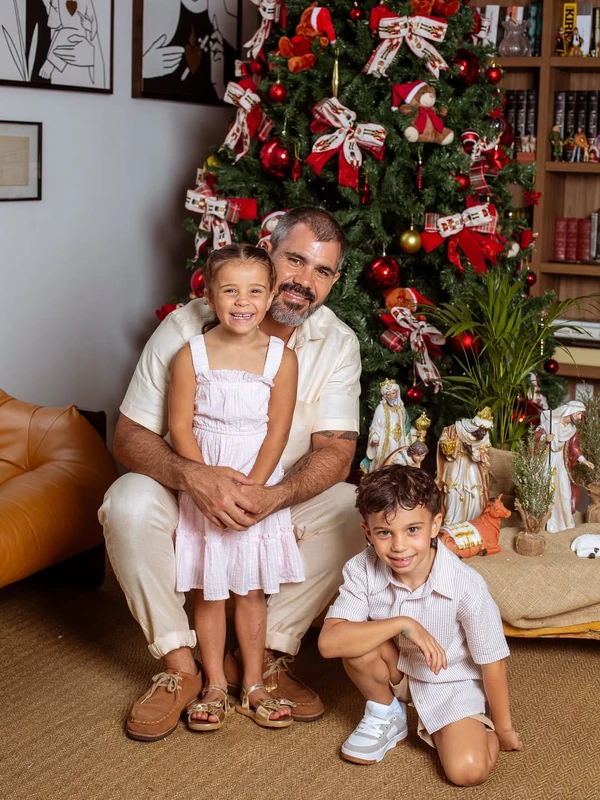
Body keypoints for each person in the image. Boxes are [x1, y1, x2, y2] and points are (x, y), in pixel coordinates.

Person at [98, 207, 364, 741]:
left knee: (352, 509)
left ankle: (263, 656)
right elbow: (130, 437)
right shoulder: (185, 332)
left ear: (335, 281)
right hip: (188, 489)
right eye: (295, 260)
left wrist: (273, 494)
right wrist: (194, 477)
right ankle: (181, 665)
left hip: (271, 496)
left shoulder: (336, 343)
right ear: (268, 252)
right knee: (126, 501)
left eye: (323, 272)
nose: (304, 282)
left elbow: (336, 453)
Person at [170, 244, 304, 731]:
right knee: (210, 591)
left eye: (254, 291)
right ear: (209, 296)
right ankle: (213, 684)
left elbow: (277, 430)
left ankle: (252, 683)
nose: (242, 301)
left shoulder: (280, 360)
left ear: (270, 297)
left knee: (249, 591)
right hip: (205, 480)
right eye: (230, 290)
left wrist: (253, 489)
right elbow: (181, 427)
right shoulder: (191, 355)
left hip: (255, 485)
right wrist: (207, 483)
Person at [318, 466, 522, 784]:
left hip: (449, 682)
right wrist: (403, 623)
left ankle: (473, 731)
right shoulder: (361, 568)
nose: (399, 546)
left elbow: (492, 661)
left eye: (412, 529)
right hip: (398, 668)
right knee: (353, 641)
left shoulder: (465, 583)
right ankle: (386, 712)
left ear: (435, 525)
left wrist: (504, 728)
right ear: (368, 532)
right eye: (385, 532)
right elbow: (329, 643)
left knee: (467, 772)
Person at [536, 401, 594, 533]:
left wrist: (583, 460)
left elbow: (574, 448)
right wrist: (545, 437)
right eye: (579, 414)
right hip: (547, 460)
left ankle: (563, 522)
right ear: (570, 411)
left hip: (561, 462)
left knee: (565, 492)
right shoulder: (550, 422)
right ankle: (546, 523)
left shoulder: (571, 430)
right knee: (546, 490)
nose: (580, 417)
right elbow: (536, 437)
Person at [436, 407, 493, 526]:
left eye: (486, 431)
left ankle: (472, 522)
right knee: (453, 492)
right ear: (476, 427)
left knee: (476, 493)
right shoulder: (458, 428)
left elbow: (485, 454)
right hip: (455, 463)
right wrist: (446, 442)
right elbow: (445, 435)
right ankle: (451, 522)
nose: (484, 434)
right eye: (482, 430)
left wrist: (475, 452)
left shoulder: (484, 437)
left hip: (472, 466)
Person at [364, 379, 414, 472]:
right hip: (385, 442)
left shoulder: (401, 408)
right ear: (385, 396)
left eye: (393, 393)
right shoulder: (380, 409)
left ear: (397, 393)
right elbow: (374, 427)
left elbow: (406, 426)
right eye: (388, 394)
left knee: (399, 462)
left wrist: (414, 432)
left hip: (400, 441)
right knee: (383, 462)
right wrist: (375, 436)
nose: (391, 397)